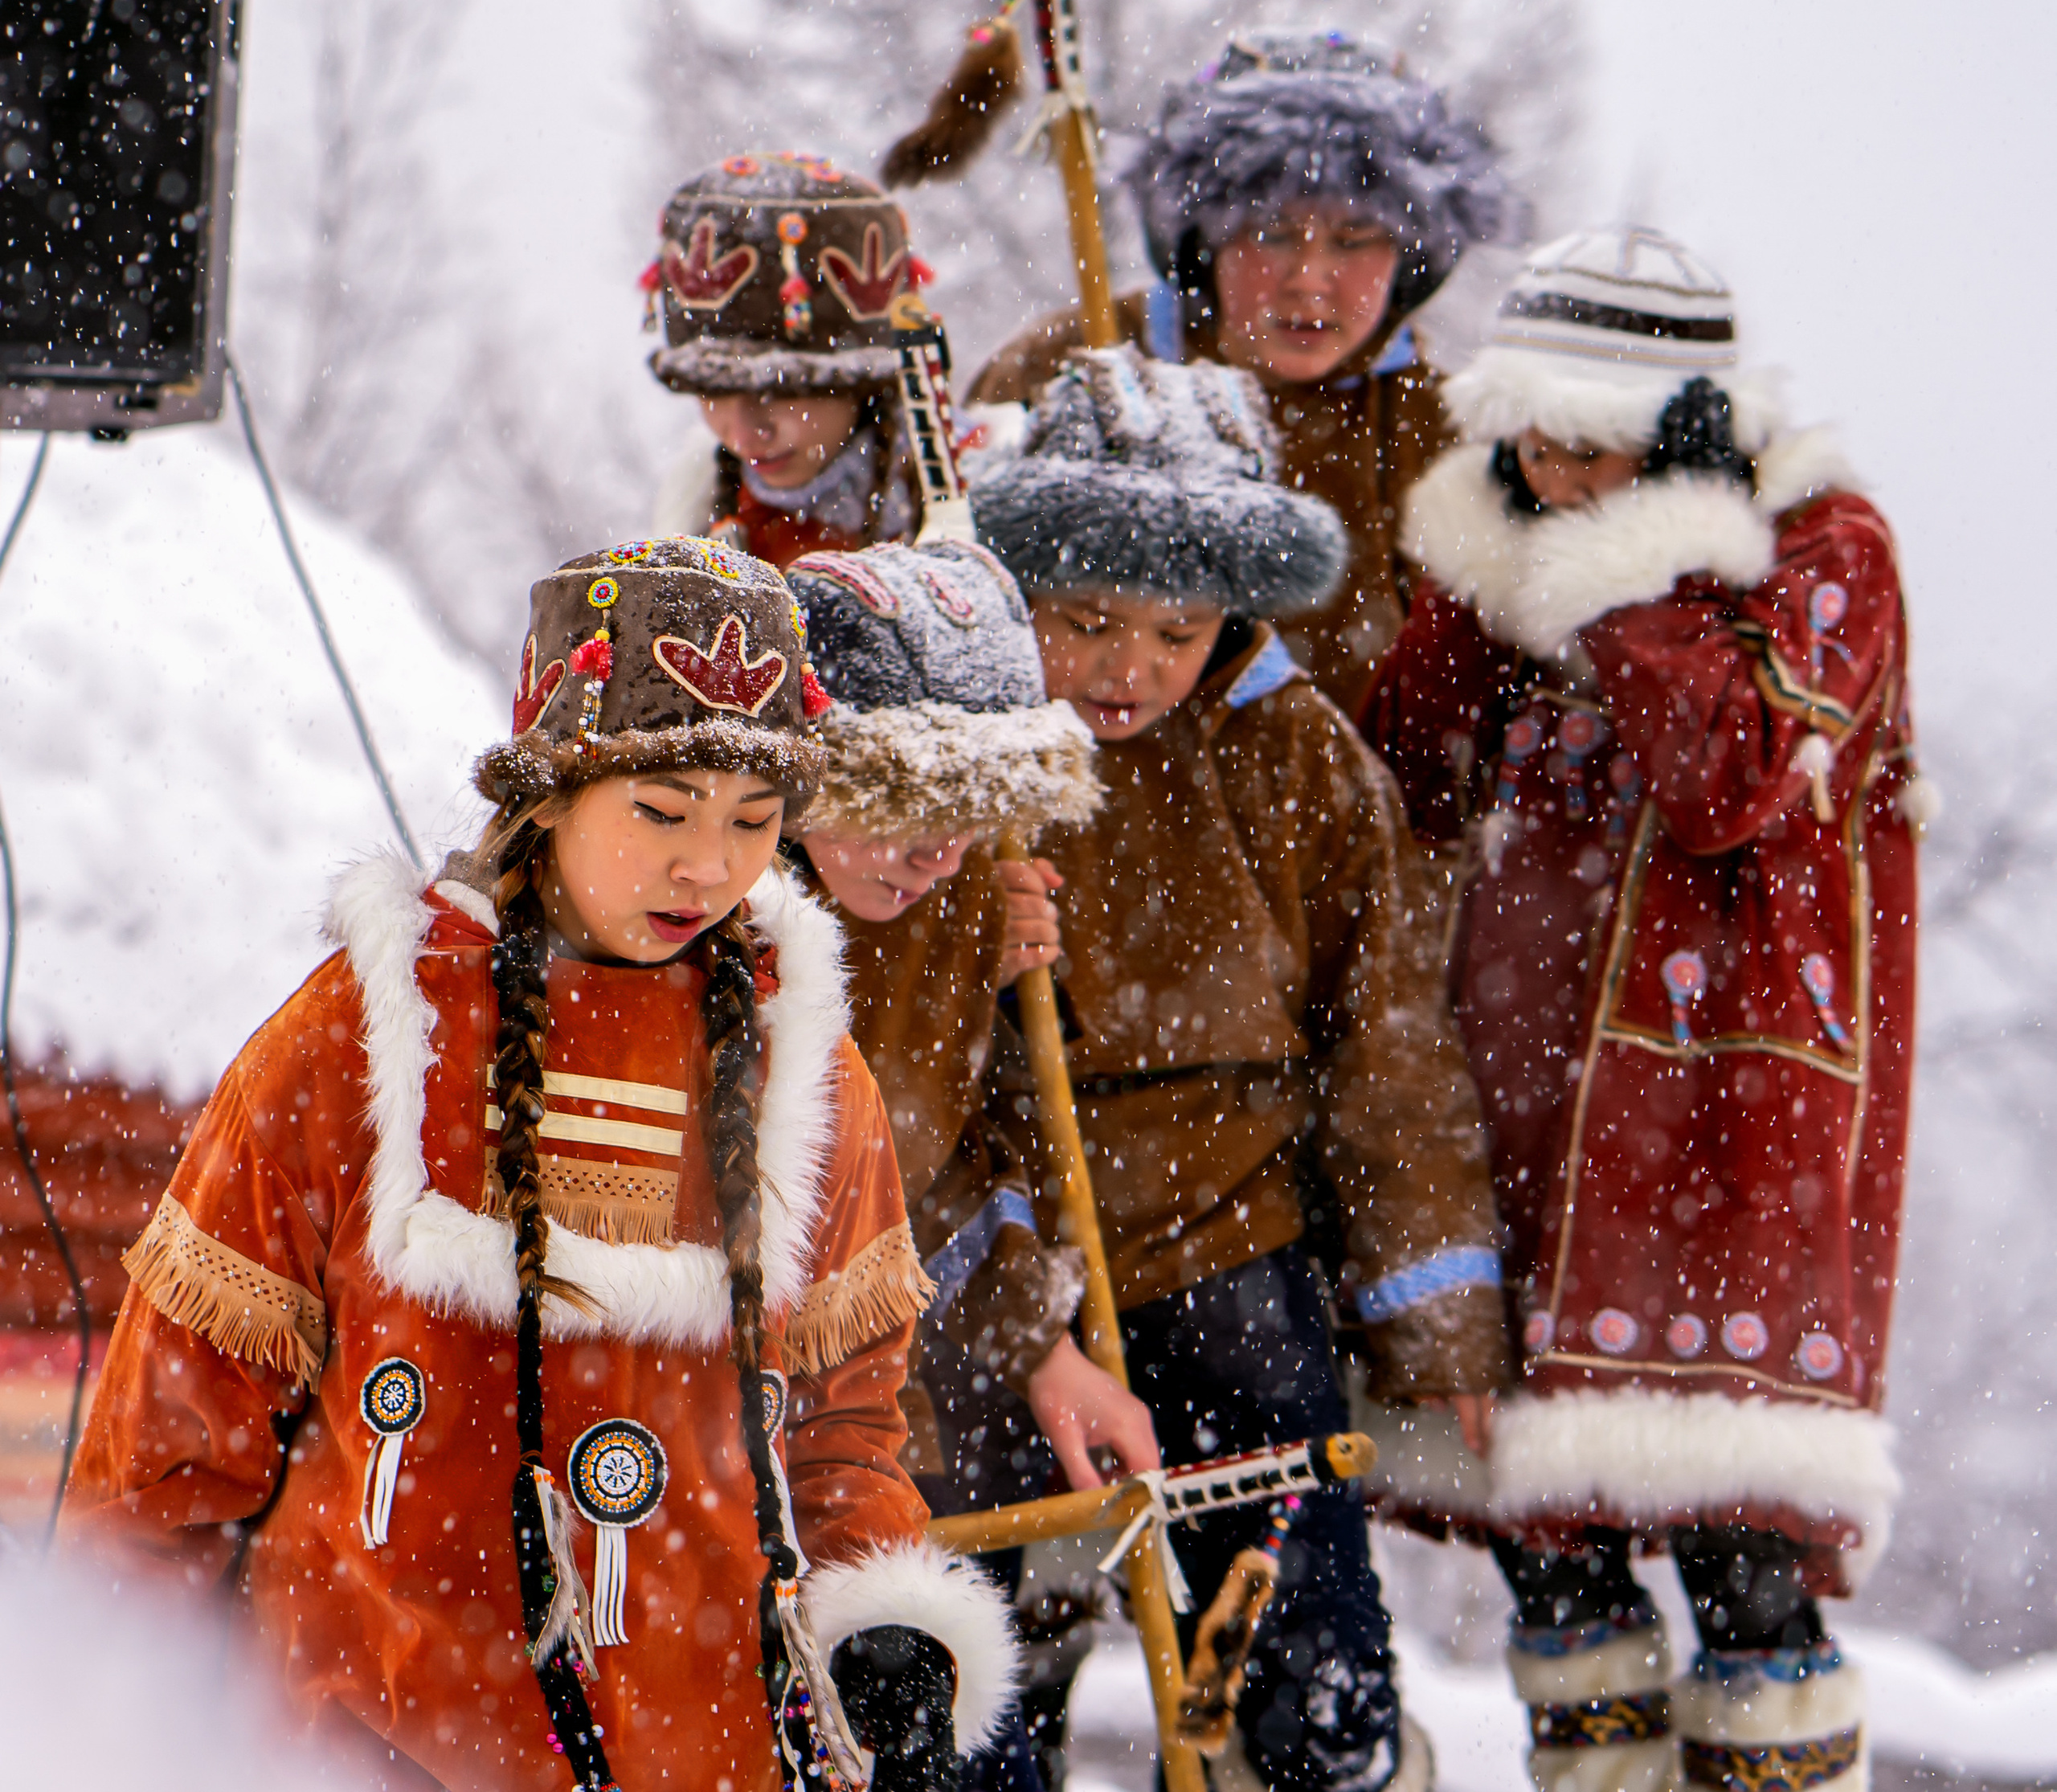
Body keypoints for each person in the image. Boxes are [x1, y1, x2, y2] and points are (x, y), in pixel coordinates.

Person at [61, 536, 1018, 1792]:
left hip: (715, 1745)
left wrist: (885, 1620)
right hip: (374, 1732)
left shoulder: (805, 1071)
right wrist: (122, 1711)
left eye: (755, 820)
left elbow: (840, 1429)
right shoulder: (363, 1037)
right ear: (551, 789)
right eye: (663, 811)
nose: (708, 866)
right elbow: (173, 1440)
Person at [1362, 227, 1921, 1792]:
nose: (1550, 470)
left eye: (1585, 442)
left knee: (1740, 1564)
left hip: (1727, 1149)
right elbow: (1393, 768)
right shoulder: (1522, 524)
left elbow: (1729, 775)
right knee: (1553, 1567)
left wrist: (1628, 573)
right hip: (1520, 1118)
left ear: (1685, 424)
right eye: (1523, 438)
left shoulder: (1822, 546)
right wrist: (1473, 572)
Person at [972, 346, 1511, 1792]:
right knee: (982, 1671)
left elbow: (1388, 1049)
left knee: (1294, 1679)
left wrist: (1436, 1311)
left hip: (1234, 1258)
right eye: (1087, 623)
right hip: (1014, 1269)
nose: (1130, 667)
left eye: (1177, 627)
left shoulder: (1305, 764)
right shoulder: (964, 759)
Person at [781, 537, 1153, 1790]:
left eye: (967, 818)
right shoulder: (701, 915)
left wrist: (1039, 1344)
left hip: (900, 1414)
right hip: (746, 1438)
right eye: (902, 808)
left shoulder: (942, 893)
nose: (938, 853)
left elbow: (934, 1171)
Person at [967, 30, 1511, 718]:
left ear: (1411, 255)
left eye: (1352, 240)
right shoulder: (1066, 366)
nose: (1309, 280)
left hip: (1342, 815)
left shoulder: (1444, 430)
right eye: (1272, 233)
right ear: (1202, 236)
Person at [646, 151, 923, 565]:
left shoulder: (989, 508)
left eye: (777, 391)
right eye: (712, 393)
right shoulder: (697, 530)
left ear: (864, 385)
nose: (742, 435)